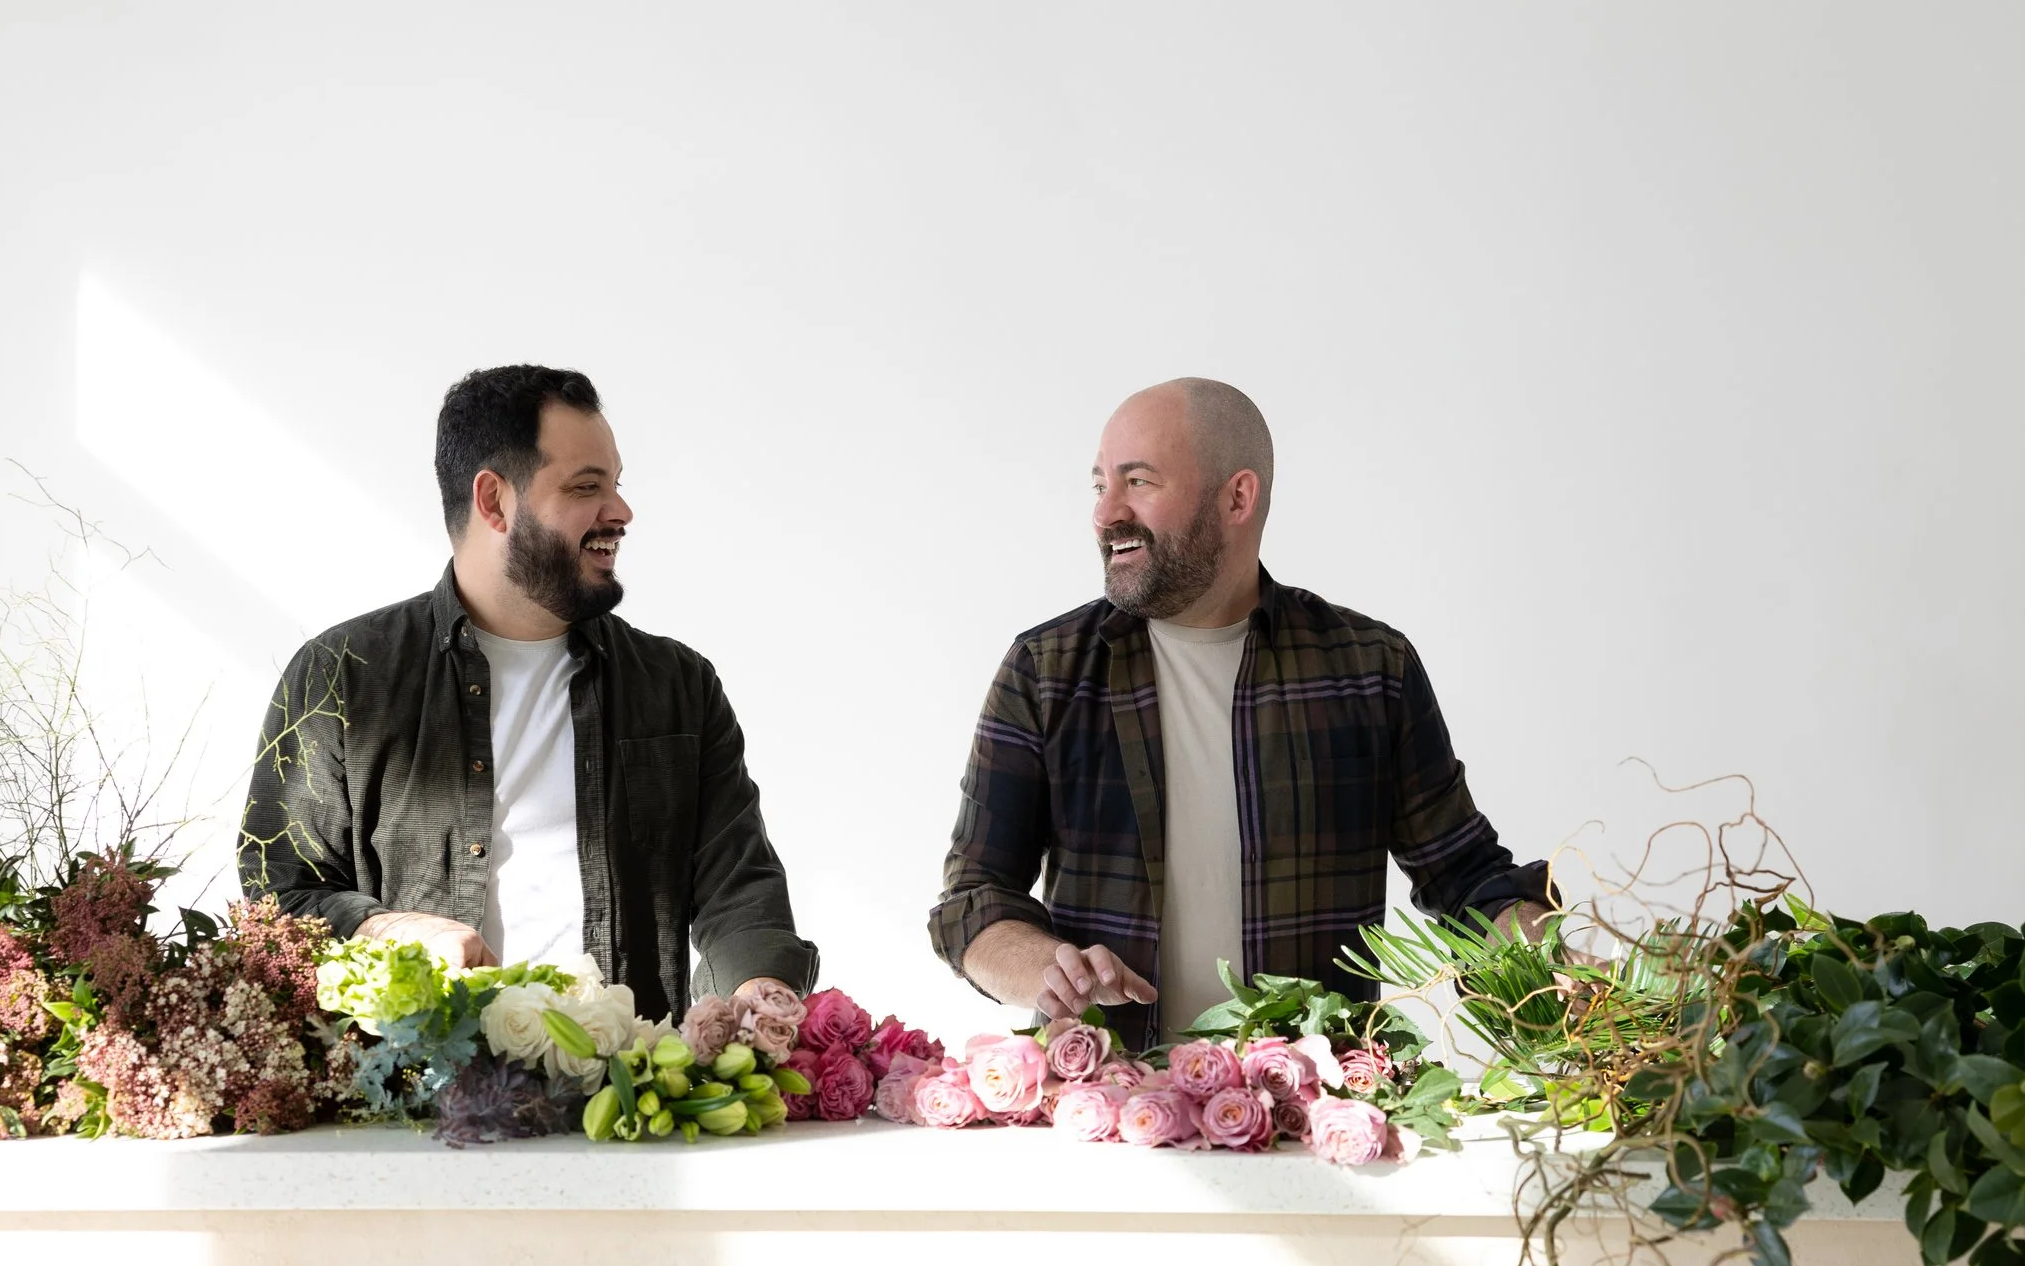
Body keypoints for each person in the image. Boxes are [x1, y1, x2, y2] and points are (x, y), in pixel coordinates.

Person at [928, 378, 1553, 1042]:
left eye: (1138, 481)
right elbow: (973, 898)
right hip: (1109, 1112)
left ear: (1237, 496)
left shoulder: (1370, 668)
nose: (1105, 512)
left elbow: (1466, 881)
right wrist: (1044, 968)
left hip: (1312, 1112)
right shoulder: (1046, 670)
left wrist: (1555, 960)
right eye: (1099, 484)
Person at [240, 365, 814, 1022]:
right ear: (494, 502)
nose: (621, 512)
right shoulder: (340, 676)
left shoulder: (679, 686)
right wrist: (389, 931)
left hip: (628, 1105)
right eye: (586, 487)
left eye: (616, 485)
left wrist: (759, 998)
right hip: (411, 1109)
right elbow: (278, 899)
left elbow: (739, 888)